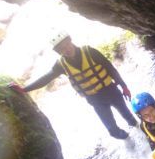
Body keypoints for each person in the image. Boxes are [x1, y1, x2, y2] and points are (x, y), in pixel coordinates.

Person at [9, 30, 137, 139]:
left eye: (67, 45)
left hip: (112, 91)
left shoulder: (90, 51)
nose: (67, 49)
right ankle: (130, 141)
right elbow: (46, 78)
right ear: (58, 52)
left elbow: (110, 69)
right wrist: (24, 89)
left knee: (129, 118)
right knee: (112, 131)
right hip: (96, 100)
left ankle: (143, 136)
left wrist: (124, 86)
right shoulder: (61, 65)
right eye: (62, 49)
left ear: (71, 41)